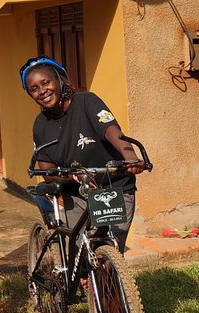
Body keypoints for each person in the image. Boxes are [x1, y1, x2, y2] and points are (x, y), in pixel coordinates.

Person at [20, 56, 146, 251]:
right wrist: (69, 176)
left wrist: (130, 156)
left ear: (60, 80)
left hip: (113, 187)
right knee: (83, 255)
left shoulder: (87, 101)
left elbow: (112, 131)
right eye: (34, 89)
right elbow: (48, 172)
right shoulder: (41, 125)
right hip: (76, 195)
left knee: (110, 249)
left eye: (46, 83)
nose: (42, 91)